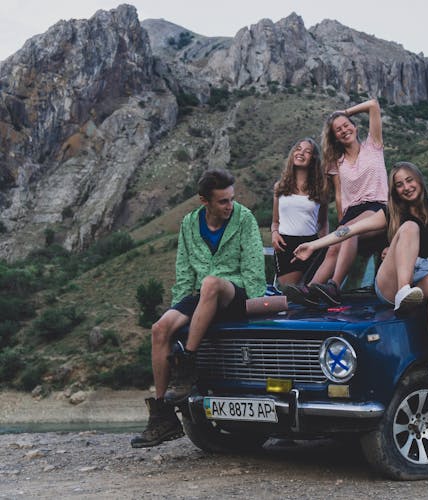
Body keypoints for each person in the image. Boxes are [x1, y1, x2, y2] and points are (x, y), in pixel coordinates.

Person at [130, 168, 266, 449]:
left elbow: (254, 271)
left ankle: (186, 364)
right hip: (201, 293)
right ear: (204, 201)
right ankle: (162, 415)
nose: (230, 205)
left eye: (231, 199)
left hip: (235, 291)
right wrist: (178, 310)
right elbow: (183, 272)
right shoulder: (189, 224)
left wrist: (251, 303)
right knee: (160, 329)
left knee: (212, 283)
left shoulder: (245, 219)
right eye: (223, 201)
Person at [293, 162, 428, 380]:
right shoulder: (392, 213)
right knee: (410, 228)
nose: (406, 187)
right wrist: (314, 245)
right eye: (399, 184)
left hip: (424, 275)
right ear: (394, 190)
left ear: (419, 180)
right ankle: (403, 290)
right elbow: (349, 230)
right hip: (392, 280)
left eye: (409, 180)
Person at [285, 98, 388, 306]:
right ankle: (311, 291)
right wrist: (341, 219)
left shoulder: (373, 145)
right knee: (333, 248)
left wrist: (344, 112)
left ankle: (334, 286)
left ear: (354, 126)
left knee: (350, 231)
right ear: (335, 137)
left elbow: (373, 105)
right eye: (337, 130)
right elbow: (340, 194)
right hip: (352, 211)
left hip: (376, 207)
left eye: (346, 125)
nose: (343, 130)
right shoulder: (337, 161)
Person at [271, 137, 329, 286]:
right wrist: (274, 233)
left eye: (307, 151)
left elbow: (323, 222)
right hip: (285, 246)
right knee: (291, 294)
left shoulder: (321, 189)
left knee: (309, 292)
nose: (301, 153)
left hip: (312, 244)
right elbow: (275, 221)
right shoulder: (280, 187)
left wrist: (323, 248)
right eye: (298, 149)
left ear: (313, 158)